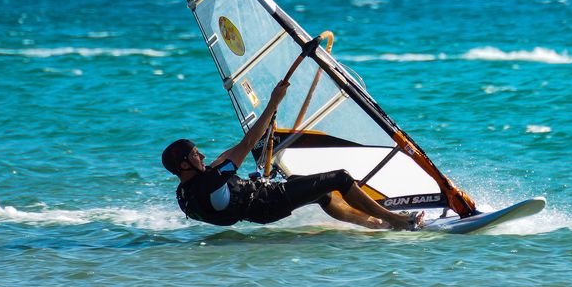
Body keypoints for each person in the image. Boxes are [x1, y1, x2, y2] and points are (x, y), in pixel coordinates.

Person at [161, 80, 421, 231]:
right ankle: (396, 220)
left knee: (321, 192)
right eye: (196, 154)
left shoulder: (187, 192)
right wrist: (274, 101)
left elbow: (229, 154)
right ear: (184, 164)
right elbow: (248, 142)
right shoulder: (212, 181)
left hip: (258, 208)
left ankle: (375, 225)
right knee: (340, 178)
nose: (202, 156)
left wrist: (267, 126)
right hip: (267, 203)